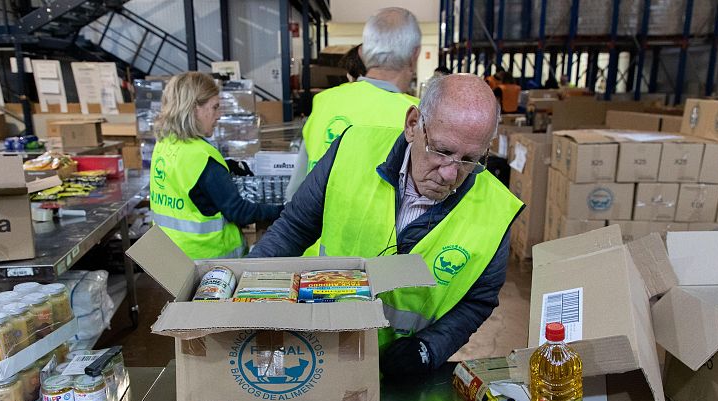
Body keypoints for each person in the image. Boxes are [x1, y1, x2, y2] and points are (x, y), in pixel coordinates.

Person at [249, 74, 524, 380]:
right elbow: (293, 229)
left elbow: (478, 301)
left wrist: (427, 349)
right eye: (442, 151)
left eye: (470, 160)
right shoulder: (351, 151)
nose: (450, 173)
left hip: (398, 374)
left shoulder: (495, 212)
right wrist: (245, 295)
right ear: (412, 125)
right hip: (319, 352)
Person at [285, 7, 422, 201]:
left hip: (318, 231)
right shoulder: (417, 116)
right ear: (414, 55)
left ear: (362, 53)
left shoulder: (325, 102)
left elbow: (294, 193)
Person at [149, 71, 283, 259]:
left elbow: (186, 186)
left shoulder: (164, 144)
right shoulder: (202, 157)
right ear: (194, 108)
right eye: (215, 107)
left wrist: (224, 168)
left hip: (170, 257)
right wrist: (284, 209)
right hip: (210, 261)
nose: (219, 116)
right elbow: (239, 212)